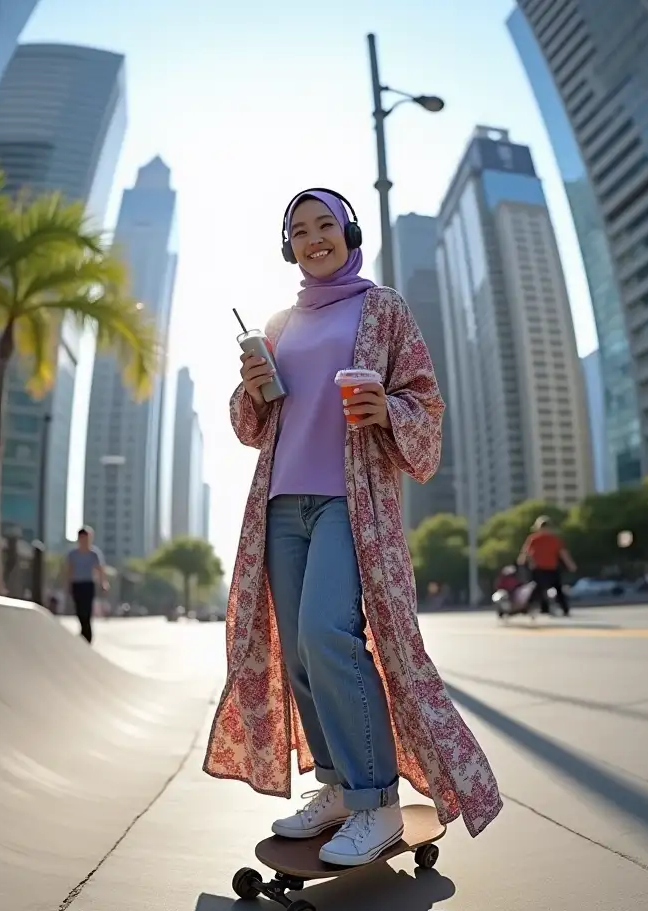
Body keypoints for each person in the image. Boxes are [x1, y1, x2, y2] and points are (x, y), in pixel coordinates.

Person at [202, 187, 502, 867]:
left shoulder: (383, 307)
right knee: (300, 653)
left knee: (327, 634)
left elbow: (423, 397)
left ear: (348, 232)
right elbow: (251, 427)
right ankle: (338, 788)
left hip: (349, 499)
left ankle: (378, 803)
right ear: (289, 247)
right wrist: (249, 386)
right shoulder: (279, 322)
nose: (313, 238)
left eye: (324, 226)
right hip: (280, 504)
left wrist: (386, 407)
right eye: (299, 230)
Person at [518, 515, 575, 615]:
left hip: (551, 568)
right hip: (538, 568)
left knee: (557, 588)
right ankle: (531, 607)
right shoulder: (533, 539)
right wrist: (522, 561)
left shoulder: (555, 540)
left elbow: (563, 553)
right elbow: (525, 552)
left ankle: (564, 609)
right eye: (543, 527)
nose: (545, 529)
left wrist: (570, 564)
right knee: (538, 588)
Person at [62, 526, 108, 642]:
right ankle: (83, 629)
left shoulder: (94, 554)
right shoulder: (72, 554)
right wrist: (67, 584)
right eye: (82, 538)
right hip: (76, 584)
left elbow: (100, 569)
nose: (85, 541)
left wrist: (103, 583)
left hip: (88, 584)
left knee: (87, 609)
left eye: (87, 538)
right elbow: (69, 570)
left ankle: (87, 634)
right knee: (78, 609)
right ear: (79, 539)